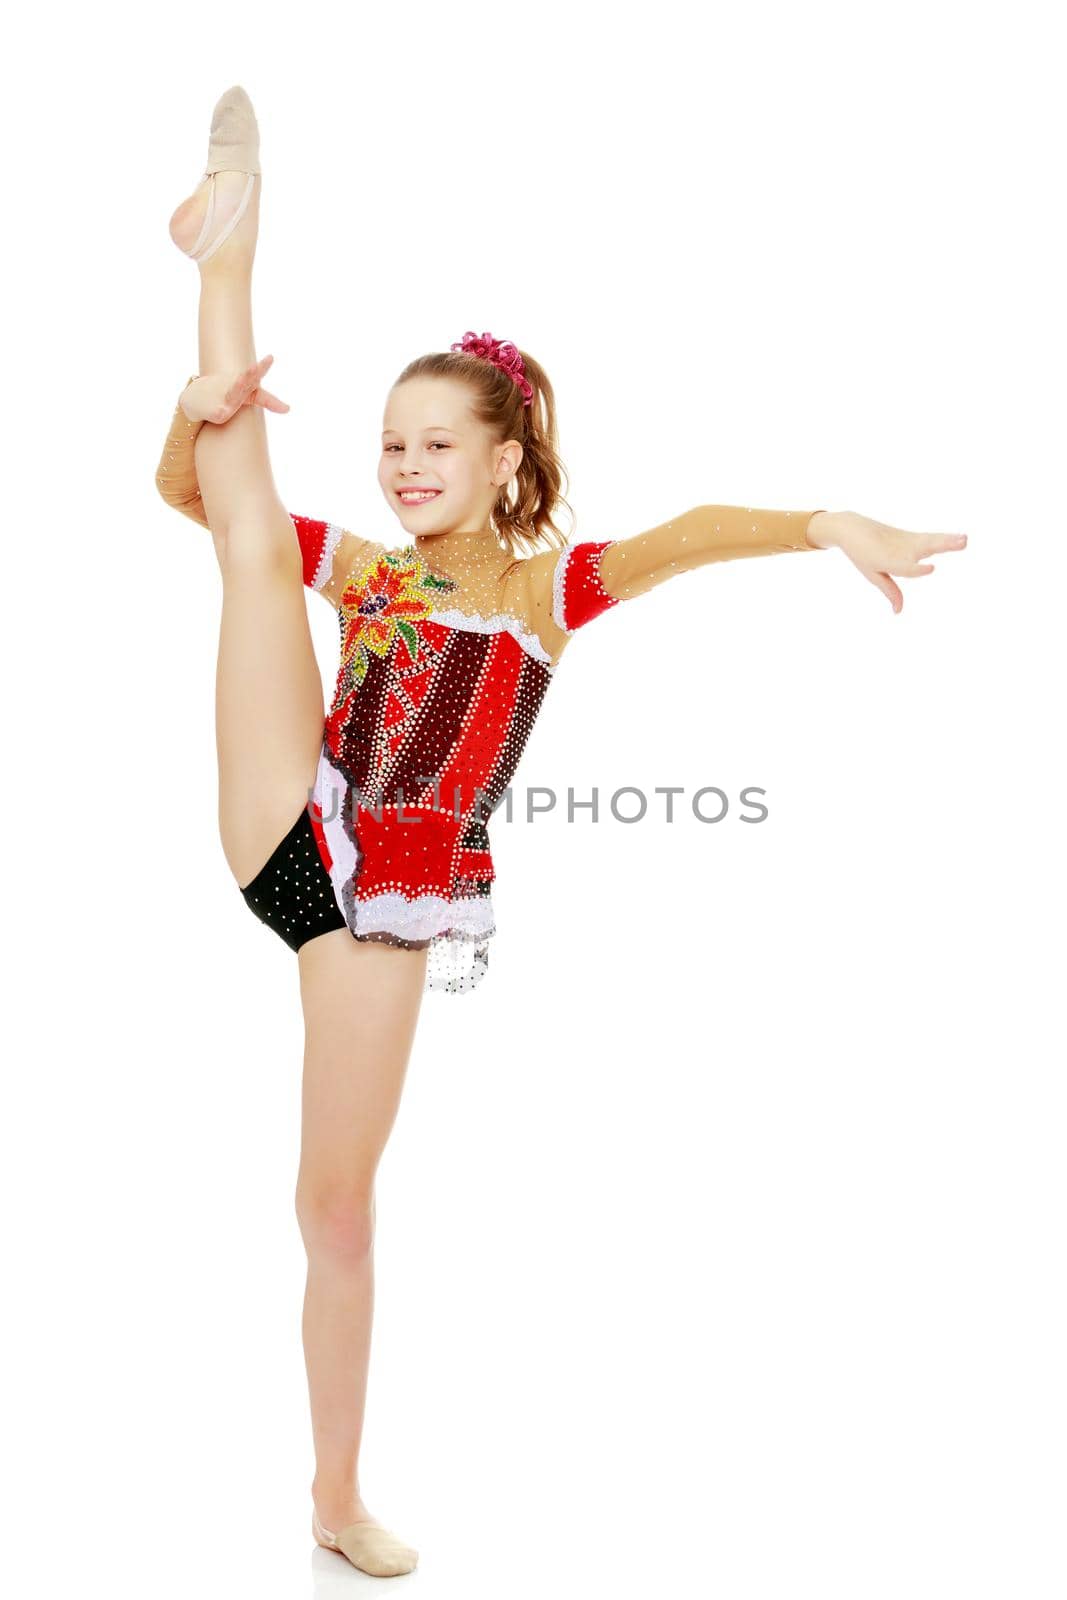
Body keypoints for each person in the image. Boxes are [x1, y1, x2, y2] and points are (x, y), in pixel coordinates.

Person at [155, 85, 968, 1578]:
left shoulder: (541, 596)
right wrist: (195, 422)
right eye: (391, 444)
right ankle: (225, 261)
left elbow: (692, 532)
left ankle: (332, 1499)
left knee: (332, 1209)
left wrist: (823, 524)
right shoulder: (379, 576)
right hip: (289, 819)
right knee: (259, 554)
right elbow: (192, 498)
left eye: (434, 448)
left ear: (506, 465)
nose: (402, 468)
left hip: (373, 913)